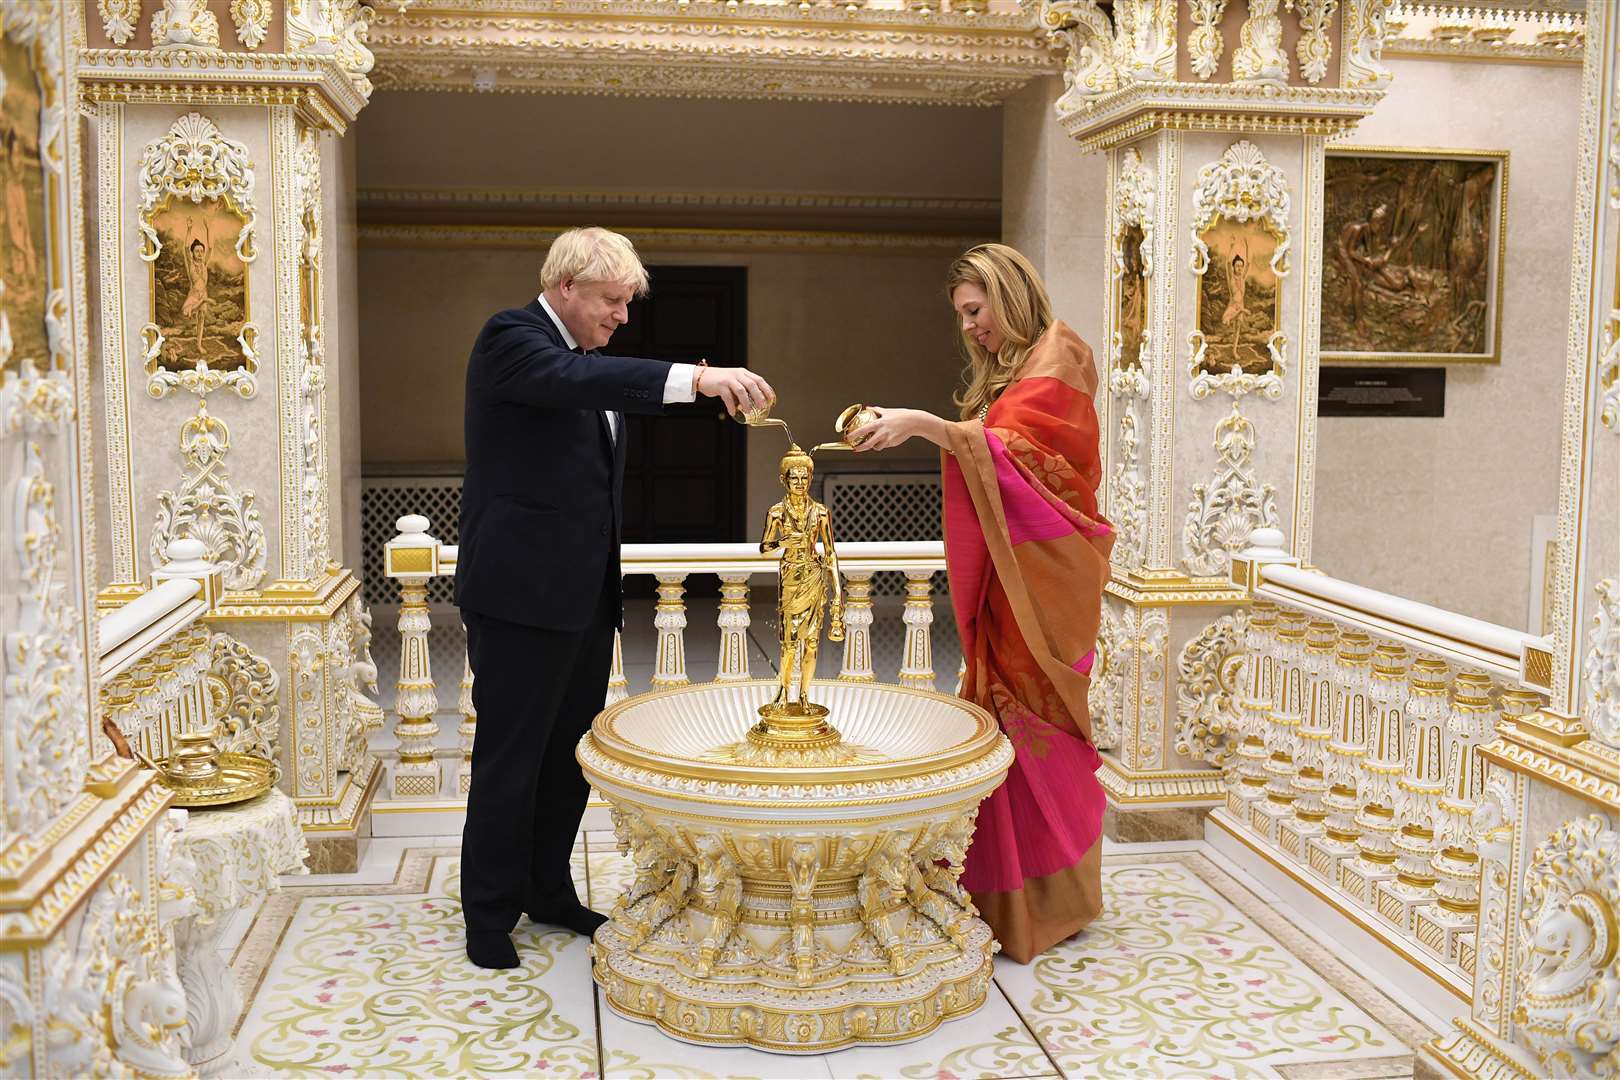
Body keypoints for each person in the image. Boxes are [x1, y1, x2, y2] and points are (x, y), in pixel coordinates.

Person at [455, 226, 774, 969]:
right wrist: (696, 378)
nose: (622, 316)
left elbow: (590, 395)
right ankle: (489, 915)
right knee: (511, 757)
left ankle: (549, 890)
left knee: (568, 755)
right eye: (611, 300)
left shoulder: (587, 360)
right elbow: (571, 384)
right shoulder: (512, 338)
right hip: (517, 597)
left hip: (581, 595)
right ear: (565, 287)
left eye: (628, 302)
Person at [850, 242, 1112, 963]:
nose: (968, 327)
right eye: (962, 315)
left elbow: (1028, 462)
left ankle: (1056, 901)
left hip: (1050, 586)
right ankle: (1006, 894)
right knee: (1004, 729)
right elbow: (1000, 449)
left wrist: (924, 424)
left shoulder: (1060, 355)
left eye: (975, 311)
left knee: (1043, 732)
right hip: (1018, 584)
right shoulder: (1022, 367)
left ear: (1008, 296)